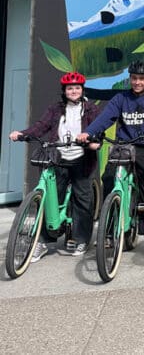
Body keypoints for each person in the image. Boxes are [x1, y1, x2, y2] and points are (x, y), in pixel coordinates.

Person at [77, 60, 144, 260]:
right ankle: (109, 232)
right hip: (123, 147)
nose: (137, 82)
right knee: (109, 179)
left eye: (141, 79)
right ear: (130, 78)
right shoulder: (120, 98)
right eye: (134, 78)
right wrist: (88, 132)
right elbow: (105, 119)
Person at [10, 72, 100, 261]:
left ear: (82, 90)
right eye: (70, 88)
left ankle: (81, 239)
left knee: (82, 200)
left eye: (77, 88)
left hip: (83, 159)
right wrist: (23, 134)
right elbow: (41, 126)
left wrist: (93, 140)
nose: (73, 91)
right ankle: (43, 241)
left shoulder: (90, 109)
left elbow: (97, 129)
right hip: (59, 157)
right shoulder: (56, 108)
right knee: (51, 199)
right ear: (64, 91)